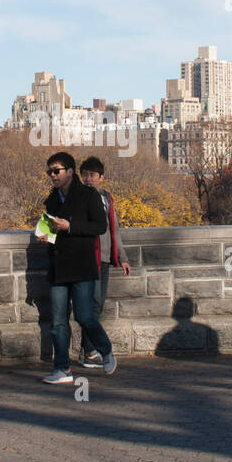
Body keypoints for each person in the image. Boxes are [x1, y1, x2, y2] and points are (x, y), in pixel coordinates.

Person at [38, 152, 117, 384]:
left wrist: (70, 226)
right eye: (50, 171)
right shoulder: (52, 198)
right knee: (58, 321)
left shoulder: (87, 195)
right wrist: (46, 236)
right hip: (58, 266)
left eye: (57, 171)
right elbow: (50, 229)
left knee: (85, 316)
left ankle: (105, 351)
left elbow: (100, 226)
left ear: (70, 172)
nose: (52, 175)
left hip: (82, 265)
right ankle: (62, 368)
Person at [77, 156, 131, 369]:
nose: (88, 179)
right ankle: (89, 351)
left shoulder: (107, 198)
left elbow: (114, 228)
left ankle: (87, 351)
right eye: (85, 175)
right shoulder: (78, 197)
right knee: (91, 304)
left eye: (92, 175)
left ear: (101, 177)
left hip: (106, 257)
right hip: (88, 256)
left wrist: (123, 258)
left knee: (96, 304)